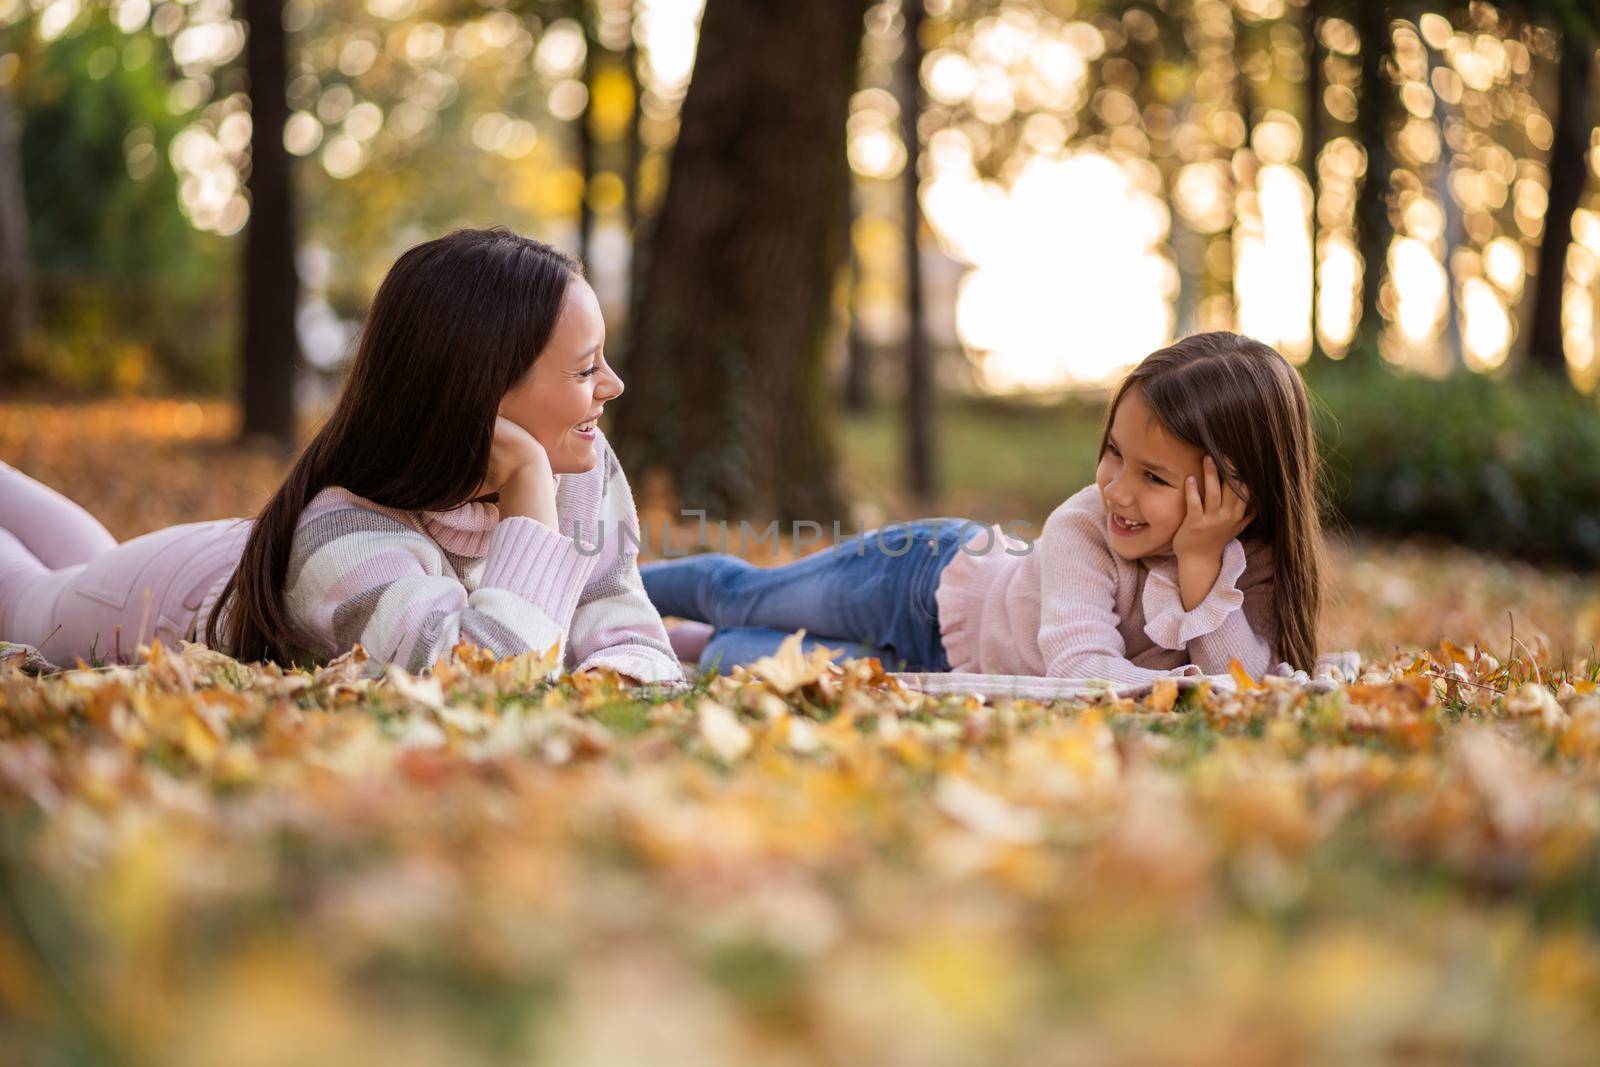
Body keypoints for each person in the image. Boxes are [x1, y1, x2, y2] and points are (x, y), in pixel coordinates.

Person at [0, 228, 680, 685]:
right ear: (483, 394)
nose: (613, 387)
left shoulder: (584, 470)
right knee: (33, 595)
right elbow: (483, 680)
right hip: (156, 600)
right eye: (586, 369)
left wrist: (616, 680)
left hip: (215, 557)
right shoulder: (345, 534)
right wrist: (527, 482)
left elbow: (624, 623)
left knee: (84, 557)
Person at [644, 332, 1324, 685]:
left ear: (1237, 493)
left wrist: (1201, 565)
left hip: (942, 670)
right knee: (746, 596)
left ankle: (682, 644)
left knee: (742, 658)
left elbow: (1246, 684)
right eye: (1113, 453)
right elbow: (1083, 670)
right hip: (919, 581)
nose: (1116, 487)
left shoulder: (1250, 565)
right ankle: (612, 584)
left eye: (1152, 476)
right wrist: (1192, 681)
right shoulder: (1082, 527)